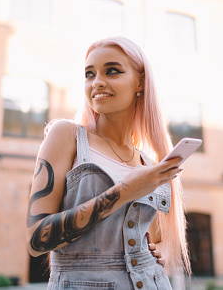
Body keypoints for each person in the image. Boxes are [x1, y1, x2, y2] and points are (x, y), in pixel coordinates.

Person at [26, 36, 191, 289]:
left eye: (112, 71)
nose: (97, 82)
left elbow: (149, 237)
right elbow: (36, 240)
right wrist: (123, 192)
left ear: (140, 82)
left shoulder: (147, 162)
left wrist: (154, 253)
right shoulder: (67, 136)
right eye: (89, 74)